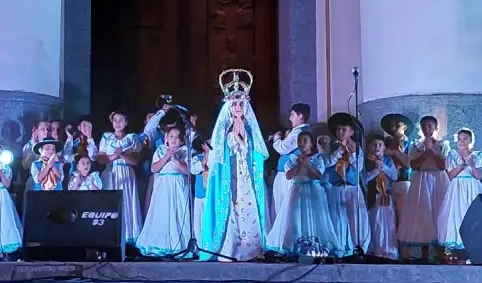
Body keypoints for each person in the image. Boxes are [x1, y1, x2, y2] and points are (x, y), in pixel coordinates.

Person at [200, 69, 269, 262]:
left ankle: (250, 250)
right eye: (234, 104)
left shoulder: (250, 128)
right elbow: (218, 153)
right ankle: (229, 249)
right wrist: (232, 134)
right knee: (230, 207)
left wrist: (243, 133)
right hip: (228, 175)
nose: (238, 107)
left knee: (247, 205)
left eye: (241, 104)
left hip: (245, 174)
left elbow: (257, 151)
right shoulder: (222, 128)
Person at [265, 131, 342, 258]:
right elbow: (288, 175)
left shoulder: (317, 158)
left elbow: (318, 175)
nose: (302, 143)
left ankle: (316, 246)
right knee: (294, 217)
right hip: (297, 190)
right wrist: (300, 165)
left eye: (305, 141)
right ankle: (294, 245)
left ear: (311, 143)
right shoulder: (292, 159)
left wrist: (307, 165)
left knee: (316, 217)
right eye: (299, 141)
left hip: (314, 191)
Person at [135, 125, 195, 257]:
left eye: (177, 137)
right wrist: (166, 157)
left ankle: (180, 245)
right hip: (163, 187)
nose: (173, 140)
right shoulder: (160, 150)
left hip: (178, 186)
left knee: (178, 214)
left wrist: (176, 161)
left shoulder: (185, 151)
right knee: (162, 214)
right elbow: (153, 169)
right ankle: (160, 245)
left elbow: (188, 171)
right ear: (166, 138)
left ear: (182, 140)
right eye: (171, 136)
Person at [398, 115, 450, 261]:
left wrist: (432, 151)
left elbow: (443, 165)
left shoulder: (443, 145)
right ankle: (424, 253)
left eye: (430, 126)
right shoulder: (415, 145)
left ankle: (441, 252)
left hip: (439, 179)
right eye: (424, 126)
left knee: (439, 212)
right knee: (423, 214)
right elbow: (413, 165)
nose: (427, 129)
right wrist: (425, 152)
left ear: (435, 128)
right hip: (421, 180)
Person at [321, 112, 370, 256]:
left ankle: (358, 247)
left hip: (352, 188)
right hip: (335, 188)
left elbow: (359, 167)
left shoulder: (356, 148)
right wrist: (338, 151)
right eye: (338, 129)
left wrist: (352, 153)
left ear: (351, 132)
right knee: (337, 218)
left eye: (344, 129)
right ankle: (339, 247)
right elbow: (326, 163)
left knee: (356, 218)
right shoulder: (331, 146)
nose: (340, 132)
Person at [98, 111, 143, 244]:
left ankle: (128, 236)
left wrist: (123, 154)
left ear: (126, 122)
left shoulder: (132, 138)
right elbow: (100, 159)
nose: (118, 123)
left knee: (127, 203)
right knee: (110, 204)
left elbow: (135, 161)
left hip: (126, 172)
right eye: (115, 120)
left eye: (121, 119)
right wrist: (114, 156)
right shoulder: (106, 137)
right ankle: (109, 235)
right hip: (110, 173)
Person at [437, 128, 482, 256]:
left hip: (473, 189)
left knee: (472, 215)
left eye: (465, 138)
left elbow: (478, 176)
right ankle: (457, 249)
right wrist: (461, 165)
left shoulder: (478, 155)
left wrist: (471, 164)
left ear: (471, 140)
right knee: (456, 215)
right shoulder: (452, 155)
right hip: (457, 188)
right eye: (460, 139)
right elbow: (450, 175)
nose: (462, 141)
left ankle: (473, 247)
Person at [364, 134, 399, 260]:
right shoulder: (366, 161)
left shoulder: (388, 160)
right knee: (375, 222)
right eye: (374, 145)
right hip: (373, 196)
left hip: (386, 196)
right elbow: (364, 179)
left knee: (388, 223)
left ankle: (388, 250)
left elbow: (394, 176)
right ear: (369, 147)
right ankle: (376, 250)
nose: (377, 147)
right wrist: (377, 170)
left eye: (380, 145)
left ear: (384, 148)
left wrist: (382, 166)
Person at [381, 113, 414, 223]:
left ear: (404, 127)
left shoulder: (412, 143)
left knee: (403, 217)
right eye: (392, 126)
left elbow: (410, 163)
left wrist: (396, 152)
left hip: (404, 182)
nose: (394, 128)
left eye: (397, 125)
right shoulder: (386, 143)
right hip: (386, 184)